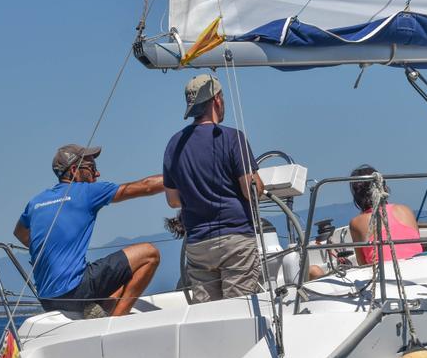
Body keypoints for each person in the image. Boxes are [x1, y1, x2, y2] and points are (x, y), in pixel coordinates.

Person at [14, 144, 163, 317]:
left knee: (124, 282)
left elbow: (20, 233)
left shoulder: (36, 202)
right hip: (75, 291)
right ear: (74, 171)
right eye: (92, 168)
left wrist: (49, 250)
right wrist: (182, 175)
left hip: (47, 299)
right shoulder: (86, 191)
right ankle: (116, 322)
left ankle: (97, 316)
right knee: (149, 253)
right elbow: (146, 186)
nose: (97, 173)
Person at [163, 74, 265, 302]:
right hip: (235, 239)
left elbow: (173, 200)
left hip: (199, 244)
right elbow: (251, 190)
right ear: (217, 99)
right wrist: (260, 184)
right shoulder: (232, 138)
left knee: (210, 317)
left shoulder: (173, 144)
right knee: (240, 310)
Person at [348, 165, 423, 265]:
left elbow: (362, 264)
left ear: (357, 195)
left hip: (385, 274)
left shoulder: (356, 223)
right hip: (419, 265)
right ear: (383, 187)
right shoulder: (406, 210)